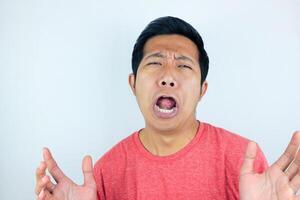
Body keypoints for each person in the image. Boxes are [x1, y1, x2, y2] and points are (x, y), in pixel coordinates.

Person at [35, 16, 300, 200]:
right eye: (154, 63)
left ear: (201, 91)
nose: (168, 76)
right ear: (133, 83)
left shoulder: (243, 159)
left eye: (183, 65)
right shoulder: (105, 173)